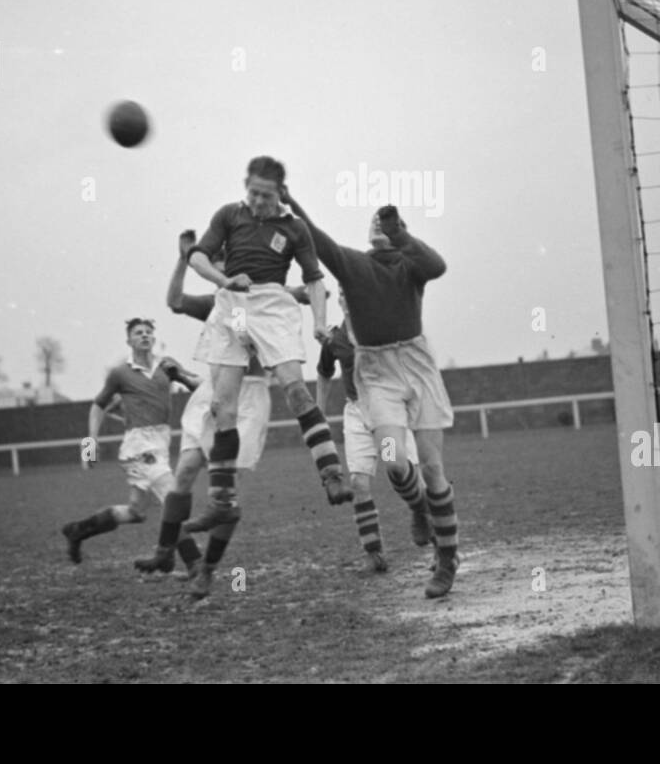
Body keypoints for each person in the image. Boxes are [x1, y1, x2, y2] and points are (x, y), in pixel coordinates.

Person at [283, 190, 459, 599]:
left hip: (417, 363)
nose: (382, 229)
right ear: (367, 236)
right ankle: (418, 509)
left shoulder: (410, 263)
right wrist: (291, 202)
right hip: (376, 371)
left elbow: (438, 265)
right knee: (395, 460)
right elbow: (320, 241)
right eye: (378, 225)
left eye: (390, 225)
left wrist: (402, 235)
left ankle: (447, 558)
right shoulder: (355, 266)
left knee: (433, 469)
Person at [183, 156, 351, 536]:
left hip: (273, 305)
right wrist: (224, 281)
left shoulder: (294, 229)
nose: (258, 201)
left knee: (294, 388)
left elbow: (313, 280)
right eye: (253, 193)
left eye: (266, 195)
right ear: (247, 187)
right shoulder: (229, 215)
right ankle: (221, 503)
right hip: (234, 306)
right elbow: (197, 257)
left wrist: (321, 323)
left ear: (280, 194)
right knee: (221, 406)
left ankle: (331, 474)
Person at [134, 230, 290, 600]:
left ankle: (207, 569)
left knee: (225, 497)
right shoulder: (218, 302)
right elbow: (173, 300)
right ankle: (164, 551)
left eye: (217, 264)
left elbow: (243, 335)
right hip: (212, 393)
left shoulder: (249, 302)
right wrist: (183, 257)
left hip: (245, 398)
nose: (214, 272)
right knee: (185, 469)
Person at [60, 318, 199, 563]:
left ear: (154, 339)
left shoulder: (167, 366)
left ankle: (77, 531)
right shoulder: (120, 373)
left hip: (160, 443)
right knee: (173, 499)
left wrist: (184, 378)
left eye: (148, 332)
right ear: (129, 341)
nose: (144, 335)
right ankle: (194, 566)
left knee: (136, 512)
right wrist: (90, 444)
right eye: (138, 333)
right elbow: (98, 406)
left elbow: (197, 385)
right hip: (139, 446)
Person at [317, 291, 432, 574]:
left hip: (386, 413)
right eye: (343, 295)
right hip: (356, 415)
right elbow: (323, 372)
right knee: (358, 481)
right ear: (341, 302)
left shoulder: (379, 329)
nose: (347, 299)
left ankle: (431, 531)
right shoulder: (334, 339)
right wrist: (317, 413)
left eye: (351, 293)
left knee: (400, 471)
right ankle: (374, 554)